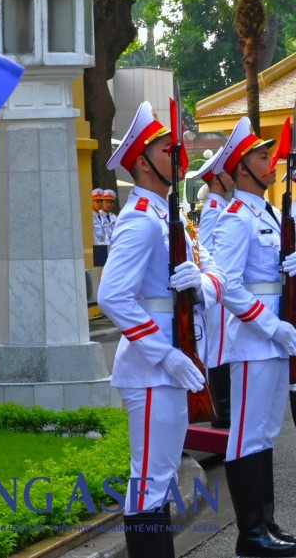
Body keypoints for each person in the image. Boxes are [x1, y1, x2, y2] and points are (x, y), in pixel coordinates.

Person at [98, 102, 226, 558]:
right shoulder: (139, 222)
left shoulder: (169, 219)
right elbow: (112, 296)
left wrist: (204, 285)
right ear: (141, 161)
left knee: (162, 477)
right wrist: (164, 353)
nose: (177, 155)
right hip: (154, 370)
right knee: (151, 480)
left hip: (174, 363)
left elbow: (216, 273)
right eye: (165, 149)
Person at [209, 117, 296, 558]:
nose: (272, 161)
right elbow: (228, 284)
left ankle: (268, 524)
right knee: (247, 435)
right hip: (253, 338)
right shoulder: (235, 219)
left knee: (265, 431)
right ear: (243, 167)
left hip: (278, 337)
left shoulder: (272, 213)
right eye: (263, 157)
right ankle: (250, 534)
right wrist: (272, 325)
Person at [187, 145, 233, 427]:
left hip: (221, 288)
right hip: (216, 292)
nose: (232, 176)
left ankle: (223, 409)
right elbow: (202, 249)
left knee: (222, 348)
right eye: (228, 171)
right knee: (217, 349)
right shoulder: (215, 210)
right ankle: (221, 412)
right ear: (217, 178)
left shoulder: (221, 206)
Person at [92, 189, 110, 266]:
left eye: (101, 201)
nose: (100, 203)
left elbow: (106, 233)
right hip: (97, 250)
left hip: (106, 248)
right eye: (97, 201)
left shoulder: (103, 216)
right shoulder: (90, 217)